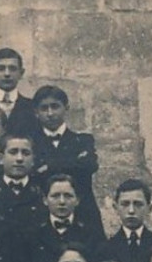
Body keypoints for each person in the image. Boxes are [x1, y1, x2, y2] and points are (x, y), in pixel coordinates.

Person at [31, 85, 103, 229]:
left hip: (82, 212)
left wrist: (48, 166)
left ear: (66, 107)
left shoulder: (83, 140)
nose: (50, 113)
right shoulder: (31, 144)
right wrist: (72, 163)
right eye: (44, 108)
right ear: (36, 112)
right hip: (43, 214)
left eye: (55, 107)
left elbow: (89, 165)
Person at [0, 47, 40, 138]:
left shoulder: (33, 108)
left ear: (21, 73)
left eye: (12, 68)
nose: (7, 74)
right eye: (1, 69)